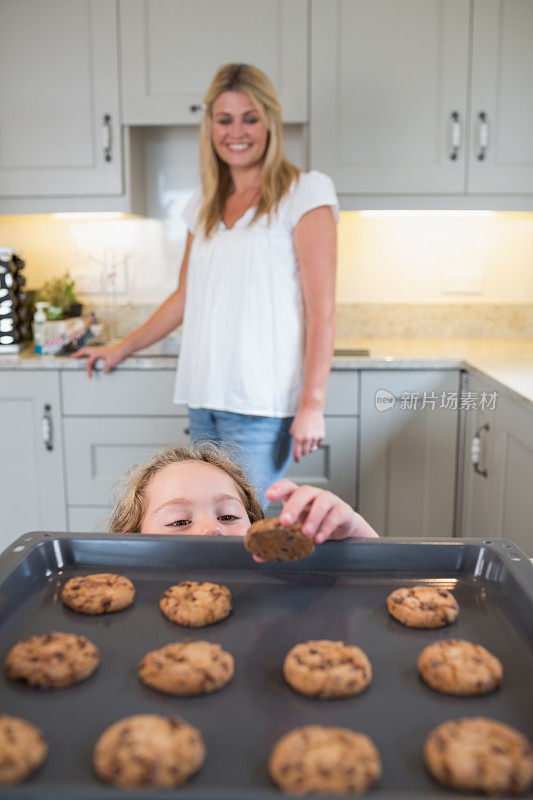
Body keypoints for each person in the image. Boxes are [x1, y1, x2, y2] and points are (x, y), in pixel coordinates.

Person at [74, 63, 338, 506]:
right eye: (224, 119)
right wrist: (120, 347)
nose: (237, 131)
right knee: (208, 524)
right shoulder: (204, 203)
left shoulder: (305, 193)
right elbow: (185, 296)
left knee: (246, 527)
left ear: (270, 121)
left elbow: (322, 310)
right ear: (210, 126)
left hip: (260, 403)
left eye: (250, 117)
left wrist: (312, 404)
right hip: (204, 396)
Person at [109, 443, 378, 544]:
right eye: (180, 522)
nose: (212, 530)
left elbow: (380, 590)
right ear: (132, 542)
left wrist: (356, 535)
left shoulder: (276, 586)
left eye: (228, 516)